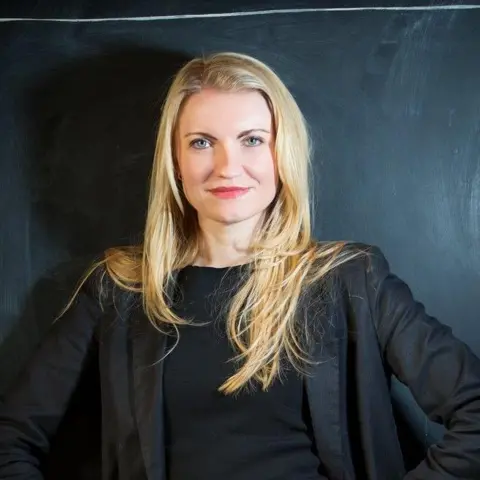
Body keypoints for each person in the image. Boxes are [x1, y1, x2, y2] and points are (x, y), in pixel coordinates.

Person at [0, 51, 479, 480]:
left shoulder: (352, 279)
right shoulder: (118, 290)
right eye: (201, 142)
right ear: (175, 161)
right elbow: (9, 441)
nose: (227, 166)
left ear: (282, 153)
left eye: (251, 139)